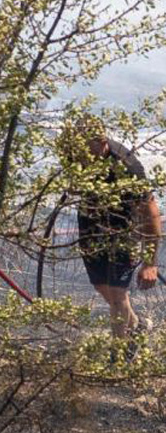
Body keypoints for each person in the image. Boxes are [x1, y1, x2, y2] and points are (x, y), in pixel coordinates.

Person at [67, 115, 161, 358]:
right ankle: (138, 326)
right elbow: (73, 182)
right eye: (79, 152)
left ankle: (119, 355)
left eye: (88, 151)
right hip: (92, 221)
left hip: (124, 227)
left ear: (102, 141)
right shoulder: (75, 154)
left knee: (117, 293)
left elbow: (150, 213)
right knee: (102, 287)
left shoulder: (127, 167)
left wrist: (150, 262)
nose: (83, 158)